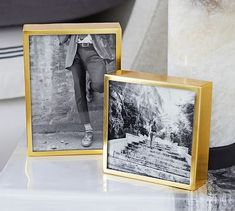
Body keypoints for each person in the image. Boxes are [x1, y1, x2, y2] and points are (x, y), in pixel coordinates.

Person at [58, 34, 114, 147]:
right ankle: (88, 130)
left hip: (94, 50)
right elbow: (61, 38)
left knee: (100, 85)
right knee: (79, 89)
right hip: (75, 52)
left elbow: (108, 32)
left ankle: (91, 86)